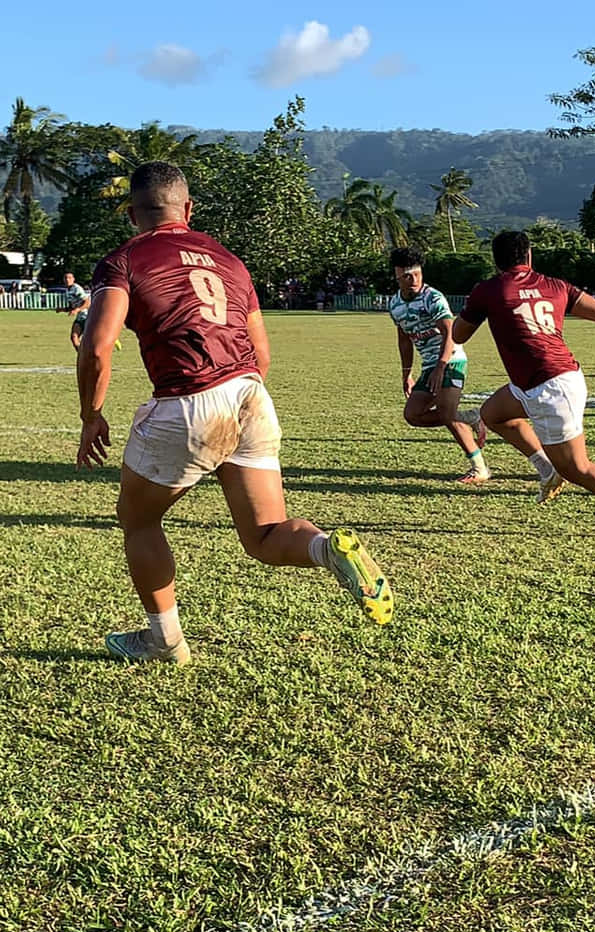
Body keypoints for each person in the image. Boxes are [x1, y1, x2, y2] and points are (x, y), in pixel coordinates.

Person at [75, 162, 393, 664]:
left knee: (138, 521)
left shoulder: (125, 259)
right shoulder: (228, 260)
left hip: (189, 399)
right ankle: (329, 548)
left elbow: (97, 346)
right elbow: (261, 352)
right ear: (189, 208)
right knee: (265, 534)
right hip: (249, 393)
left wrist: (91, 415)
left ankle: (164, 642)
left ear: (133, 213)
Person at [452, 230, 595, 539]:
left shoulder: (489, 290)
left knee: (577, 469)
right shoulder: (555, 285)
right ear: (529, 256)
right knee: (493, 414)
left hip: (550, 389)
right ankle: (547, 469)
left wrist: (477, 308)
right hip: (548, 381)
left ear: (496, 261)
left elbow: (459, 335)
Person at [386, 247, 490, 483]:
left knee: (446, 413)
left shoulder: (432, 297)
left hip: (451, 360)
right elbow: (403, 339)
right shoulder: (395, 304)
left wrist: (441, 366)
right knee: (413, 415)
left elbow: (450, 332)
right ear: (397, 276)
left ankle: (479, 467)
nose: (413, 280)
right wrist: (406, 374)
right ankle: (471, 417)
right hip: (429, 366)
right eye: (407, 276)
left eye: (417, 274)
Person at [61, 271, 92, 349]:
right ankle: (82, 358)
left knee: (91, 340)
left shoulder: (76, 288)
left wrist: (77, 310)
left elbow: (87, 302)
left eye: (69, 278)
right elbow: (72, 306)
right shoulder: (68, 290)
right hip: (80, 318)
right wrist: (64, 309)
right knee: (74, 338)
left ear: (73, 279)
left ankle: (113, 339)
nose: (67, 279)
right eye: (65, 278)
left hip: (89, 317)